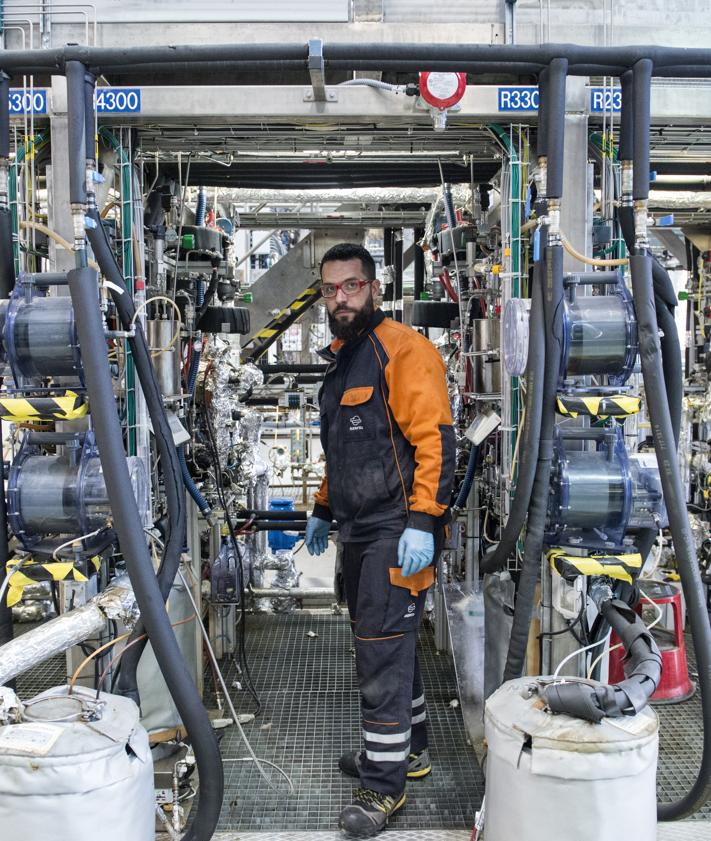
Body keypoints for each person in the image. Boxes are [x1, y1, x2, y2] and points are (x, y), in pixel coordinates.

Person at [304, 243, 455, 838]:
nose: (340, 298)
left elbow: (436, 442)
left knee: (380, 652)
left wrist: (423, 521)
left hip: (397, 529)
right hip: (357, 528)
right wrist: (321, 507)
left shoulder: (404, 350)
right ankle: (405, 752)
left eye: (352, 286)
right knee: (392, 646)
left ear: (374, 287)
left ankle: (383, 787)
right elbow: (343, 452)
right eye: (331, 290)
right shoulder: (344, 360)